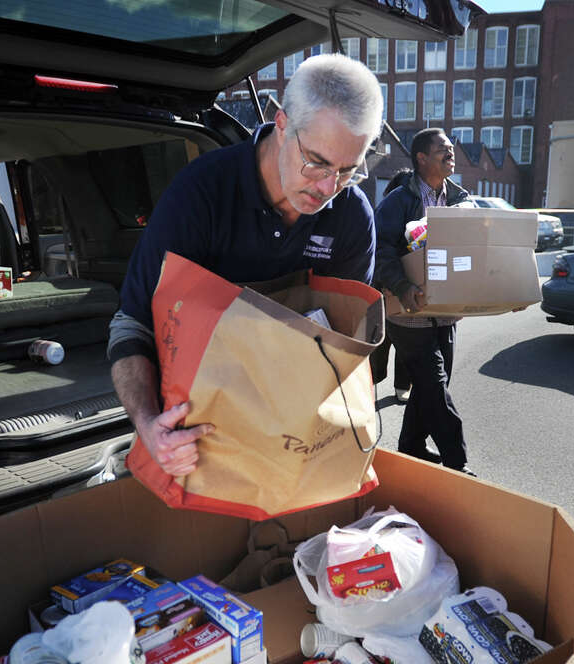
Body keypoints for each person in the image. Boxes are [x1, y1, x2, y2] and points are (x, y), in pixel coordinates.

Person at [108, 54, 384, 477]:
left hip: (292, 429)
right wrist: (148, 426)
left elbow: (340, 342)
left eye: (348, 171)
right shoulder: (201, 193)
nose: (329, 188)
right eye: (317, 162)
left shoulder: (351, 216)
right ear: (281, 124)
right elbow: (133, 323)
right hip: (197, 435)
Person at [373, 128, 475, 476]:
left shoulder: (460, 199)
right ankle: (456, 462)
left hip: (446, 314)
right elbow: (381, 251)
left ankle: (411, 446)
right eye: (443, 151)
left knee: (433, 384)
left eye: (451, 151)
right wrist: (401, 286)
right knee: (433, 385)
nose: (451, 155)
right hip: (409, 313)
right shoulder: (398, 202)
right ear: (421, 158)